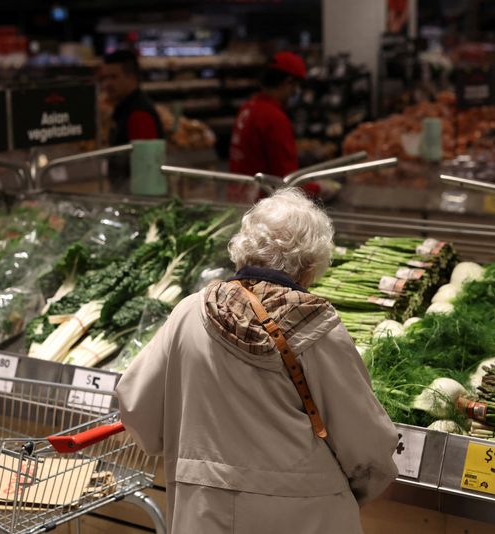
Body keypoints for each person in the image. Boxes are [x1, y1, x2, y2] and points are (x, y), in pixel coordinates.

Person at [117, 188, 399, 534]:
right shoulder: (316, 324)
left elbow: (134, 405)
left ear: (242, 251)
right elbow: (365, 442)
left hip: (204, 513)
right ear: (310, 266)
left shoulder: (189, 312)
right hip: (305, 516)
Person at [228, 52, 309, 202]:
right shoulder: (274, 118)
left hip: (240, 198)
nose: (294, 94)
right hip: (263, 206)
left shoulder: (248, 107)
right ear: (288, 82)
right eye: (296, 87)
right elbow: (286, 180)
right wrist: (319, 188)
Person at [99, 50, 164, 192]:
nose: (107, 84)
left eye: (113, 77)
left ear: (132, 77)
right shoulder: (123, 109)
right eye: (104, 78)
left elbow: (147, 170)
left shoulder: (139, 114)